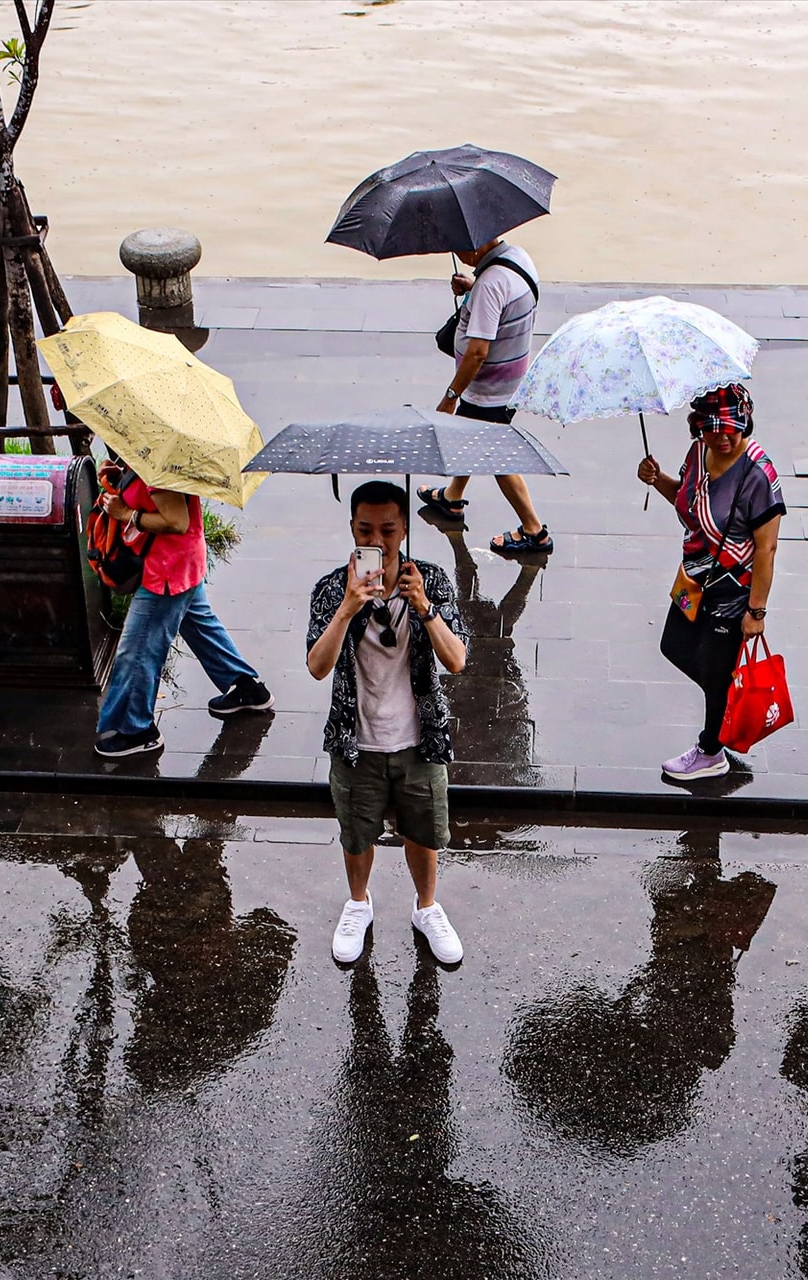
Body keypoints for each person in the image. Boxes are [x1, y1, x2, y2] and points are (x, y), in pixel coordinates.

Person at [307, 481, 470, 965]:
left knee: (422, 833)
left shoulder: (432, 581)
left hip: (420, 741)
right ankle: (358, 903)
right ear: (352, 529)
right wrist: (348, 608)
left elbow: (457, 660)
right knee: (357, 833)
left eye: (388, 529)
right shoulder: (333, 588)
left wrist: (424, 608)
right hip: (355, 741)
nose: (377, 540)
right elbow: (317, 666)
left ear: (406, 529)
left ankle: (427, 907)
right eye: (365, 530)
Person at [636, 384, 785, 781]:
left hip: (734, 591)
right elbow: (686, 502)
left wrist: (756, 612)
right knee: (675, 645)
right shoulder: (699, 454)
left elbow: (766, 549)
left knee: (717, 669)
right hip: (694, 578)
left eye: (731, 428)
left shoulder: (759, 475)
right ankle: (725, 697)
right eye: (712, 429)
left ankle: (711, 749)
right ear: (698, 427)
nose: (722, 436)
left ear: (745, 423)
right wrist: (658, 479)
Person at [93, 468, 272, 758]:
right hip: (182, 560)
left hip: (166, 571)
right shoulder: (154, 460)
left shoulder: (158, 468)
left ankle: (138, 730)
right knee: (201, 627)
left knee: (138, 650)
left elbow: (176, 521)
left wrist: (126, 513)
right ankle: (248, 689)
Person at [417, 237, 552, 557]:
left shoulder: (491, 284)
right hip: (511, 376)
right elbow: (503, 293)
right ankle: (452, 498)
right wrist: (474, 287)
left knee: (497, 455)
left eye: (459, 247)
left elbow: (477, 352)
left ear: (476, 246)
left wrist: (451, 395)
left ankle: (534, 530)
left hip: (489, 388)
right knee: (471, 437)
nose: (457, 254)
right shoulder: (518, 258)